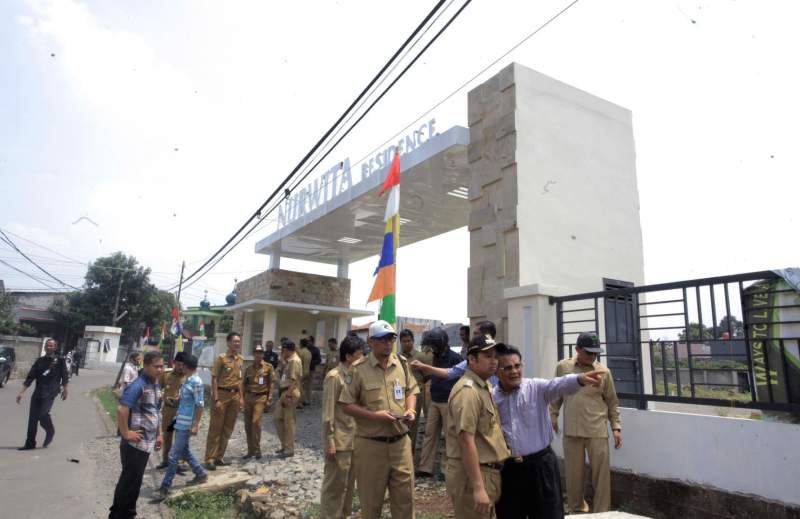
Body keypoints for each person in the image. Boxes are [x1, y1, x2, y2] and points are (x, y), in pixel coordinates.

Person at [493, 344, 603, 519]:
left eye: (517, 366)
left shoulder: (536, 388)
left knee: (548, 514)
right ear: (496, 371)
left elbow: (558, 384)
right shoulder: (492, 398)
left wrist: (580, 379)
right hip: (509, 470)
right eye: (508, 367)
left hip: (541, 466)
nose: (514, 371)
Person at [340, 320, 419, 519]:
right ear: (371, 342)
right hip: (371, 447)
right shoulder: (358, 369)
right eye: (382, 340)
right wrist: (375, 416)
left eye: (391, 339)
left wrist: (410, 410)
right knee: (371, 504)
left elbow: (412, 390)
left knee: (405, 502)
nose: (387, 344)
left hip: (401, 444)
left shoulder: (401, 363)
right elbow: (346, 405)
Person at [550, 332, 622, 514]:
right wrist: (553, 416)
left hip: (597, 430)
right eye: (588, 352)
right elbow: (556, 394)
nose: (592, 356)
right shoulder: (563, 367)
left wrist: (616, 427)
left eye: (595, 353)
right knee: (574, 478)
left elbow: (612, 401)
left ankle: (602, 513)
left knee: (601, 478)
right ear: (577, 350)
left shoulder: (604, 372)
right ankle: (577, 511)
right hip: (572, 432)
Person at [445, 335, 509, 519]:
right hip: (473, 475)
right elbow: (466, 440)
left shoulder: (484, 386)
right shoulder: (468, 392)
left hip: (486, 472)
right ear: (471, 359)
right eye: (487, 356)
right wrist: (478, 487)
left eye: (495, 356)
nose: (494, 361)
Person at [109, 351, 164, 519]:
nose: (160, 370)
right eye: (156, 366)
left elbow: (155, 410)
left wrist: (159, 434)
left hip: (146, 442)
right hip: (135, 444)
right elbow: (122, 408)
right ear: (146, 366)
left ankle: (128, 514)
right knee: (128, 482)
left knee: (134, 481)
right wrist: (126, 433)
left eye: (162, 366)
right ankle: (118, 515)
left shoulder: (154, 384)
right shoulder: (138, 384)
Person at [319, 335, 365, 519]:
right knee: (334, 487)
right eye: (359, 355)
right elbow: (328, 414)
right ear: (348, 357)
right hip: (339, 441)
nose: (362, 359)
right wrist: (329, 441)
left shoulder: (355, 376)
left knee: (348, 486)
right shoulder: (334, 377)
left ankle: (343, 515)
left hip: (353, 439)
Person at [157, 354, 208, 498]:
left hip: (187, 424)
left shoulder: (196, 382)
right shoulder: (187, 380)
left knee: (173, 456)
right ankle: (200, 473)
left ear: (187, 366)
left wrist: (196, 425)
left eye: (182, 365)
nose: (180, 367)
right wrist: (176, 400)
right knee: (184, 451)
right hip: (180, 421)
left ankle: (165, 487)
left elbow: (200, 405)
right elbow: (186, 400)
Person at [416, 327, 462, 479]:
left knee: (450, 437)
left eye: (434, 344)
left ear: (441, 343)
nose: (432, 348)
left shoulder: (456, 358)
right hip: (435, 400)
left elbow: (455, 376)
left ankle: (446, 470)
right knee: (430, 434)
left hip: (448, 401)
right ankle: (425, 468)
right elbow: (434, 373)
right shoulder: (435, 355)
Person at [411, 320, 499, 388]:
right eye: (488, 356)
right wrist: (424, 367)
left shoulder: (505, 357)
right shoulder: (469, 361)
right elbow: (451, 373)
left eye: (476, 334)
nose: (493, 361)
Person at [16, 338, 69, 450]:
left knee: (43, 415)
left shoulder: (60, 360)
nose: (49, 347)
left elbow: (64, 376)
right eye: (47, 345)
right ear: (45, 347)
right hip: (38, 392)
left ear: (55, 347)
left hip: (51, 392)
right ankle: (30, 443)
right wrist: (21, 392)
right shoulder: (39, 361)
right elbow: (30, 377)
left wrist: (65, 389)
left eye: (51, 345)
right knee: (32, 419)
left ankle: (50, 431)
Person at [204, 332, 244, 470]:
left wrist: (242, 399)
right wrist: (216, 398)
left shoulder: (240, 359)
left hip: (234, 397)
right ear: (228, 343)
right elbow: (214, 378)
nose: (237, 344)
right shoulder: (221, 358)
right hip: (222, 395)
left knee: (228, 428)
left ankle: (219, 457)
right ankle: (209, 458)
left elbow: (239, 380)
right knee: (216, 428)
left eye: (239, 341)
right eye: (234, 341)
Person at [399, 328, 431, 451]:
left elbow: (428, 376)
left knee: (412, 424)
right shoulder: (397, 357)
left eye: (408, 341)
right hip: (400, 395)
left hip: (416, 395)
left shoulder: (421, 357)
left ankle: (410, 453)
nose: (406, 343)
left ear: (413, 341)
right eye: (404, 341)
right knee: (400, 423)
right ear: (400, 342)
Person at [242, 344, 274, 460]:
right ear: (253, 354)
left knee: (256, 422)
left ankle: (257, 449)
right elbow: (243, 385)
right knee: (248, 425)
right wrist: (242, 399)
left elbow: (271, 383)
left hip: (261, 397)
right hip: (249, 397)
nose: (258, 354)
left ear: (262, 354)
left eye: (260, 352)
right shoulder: (248, 369)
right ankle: (250, 450)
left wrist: (269, 398)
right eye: (256, 352)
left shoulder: (268, 367)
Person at [156, 352, 186, 469]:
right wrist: (163, 396)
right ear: (174, 363)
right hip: (168, 410)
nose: (180, 367)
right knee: (167, 435)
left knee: (181, 437)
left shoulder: (187, 377)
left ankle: (180, 462)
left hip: (182, 411)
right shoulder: (166, 374)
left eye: (182, 365)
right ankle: (165, 460)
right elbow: (158, 389)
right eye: (178, 364)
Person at [274, 340, 302, 458]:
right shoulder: (289, 361)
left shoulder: (294, 361)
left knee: (288, 422)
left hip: (289, 392)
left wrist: (289, 396)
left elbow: (294, 381)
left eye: (282, 350)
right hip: (285, 391)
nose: (281, 352)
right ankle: (285, 445)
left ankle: (289, 449)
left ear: (286, 350)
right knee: (277, 417)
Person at [298, 338, 313, 406]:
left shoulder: (300, 352)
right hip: (307, 371)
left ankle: (300, 402)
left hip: (301, 372)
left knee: (299, 387)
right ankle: (305, 400)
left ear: (301, 344)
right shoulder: (308, 352)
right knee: (306, 388)